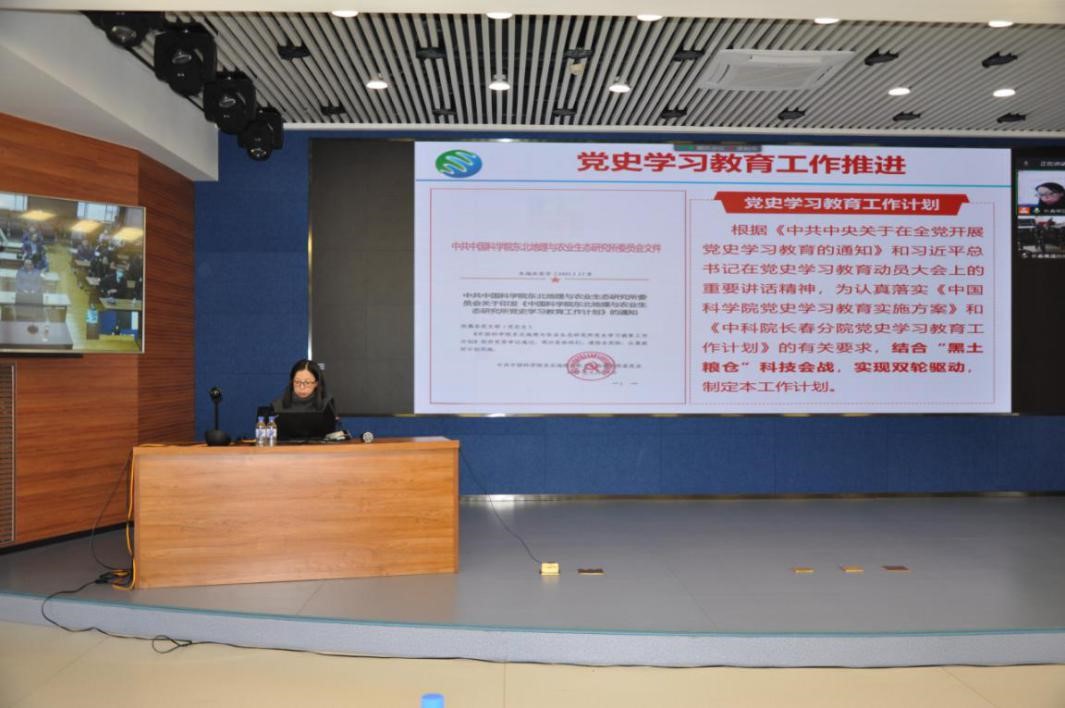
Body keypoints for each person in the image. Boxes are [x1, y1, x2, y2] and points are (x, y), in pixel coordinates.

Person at [272, 359, 338, 419]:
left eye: (307, 382)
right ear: (292, 382)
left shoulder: (326, 405)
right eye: (297, 382)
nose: (302, 387)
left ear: (316, 384)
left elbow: (335, 427)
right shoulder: (277, 406)